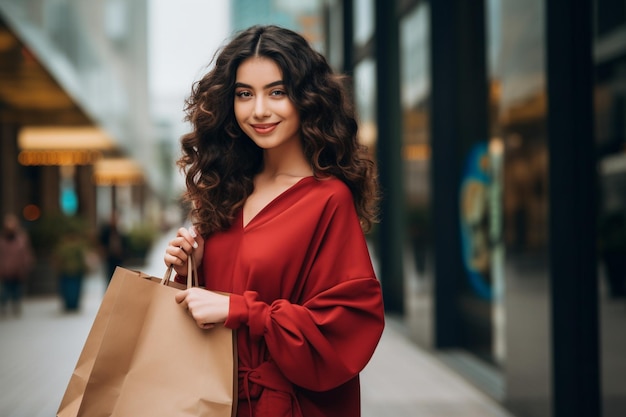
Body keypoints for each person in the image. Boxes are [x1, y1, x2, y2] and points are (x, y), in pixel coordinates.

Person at [164, 25, 385, 417]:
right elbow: (209, 308)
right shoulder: (228, 190)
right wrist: (193, 270)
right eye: (244, 94)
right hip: (217, 399)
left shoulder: (327, 199)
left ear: (307, 99)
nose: (259, 110)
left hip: (287, 406)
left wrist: (245, 312)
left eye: (277, 92)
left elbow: (349, 322)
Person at [0, 213, 34, 316]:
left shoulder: (22, 239)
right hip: (5, 271)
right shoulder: (2, 240)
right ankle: (4, 307)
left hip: (18, 271)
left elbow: (26, 254)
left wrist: (27, 265)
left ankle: (16, 306)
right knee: (5, 291)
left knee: (17, 290)